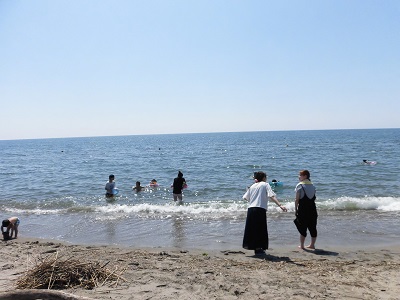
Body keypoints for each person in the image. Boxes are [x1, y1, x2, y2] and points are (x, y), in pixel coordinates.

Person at [242, 171, 287, 255]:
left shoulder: (252, 186)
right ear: (263, 178)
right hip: (260, 209)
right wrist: (280, 205)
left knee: (252, 229)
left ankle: (255, 248)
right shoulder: (265, 184)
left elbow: (245, 197)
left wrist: (254, 199)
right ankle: (259, 248)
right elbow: (271, 195)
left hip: (251, 209)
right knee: (260, 228)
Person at [294, 170, 318, 250]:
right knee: (313, 227)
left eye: (300, 175)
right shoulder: (313, 186)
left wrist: (295, 209)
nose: (299, 177)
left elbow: (297, 199)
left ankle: (302, 245)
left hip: (303, 210)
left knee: (302, 228)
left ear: (305, 176)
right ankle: (312, 245)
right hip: (313, 210)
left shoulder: (300, 186)